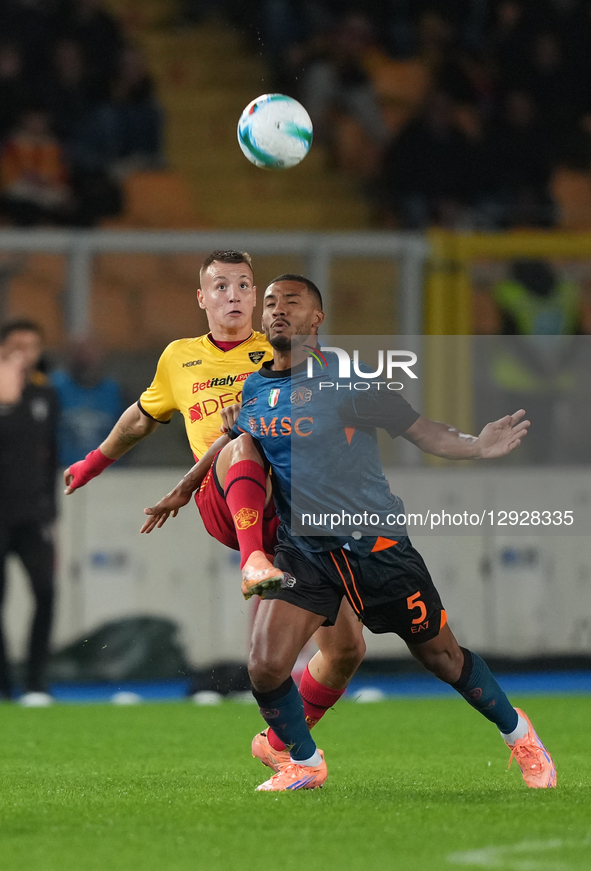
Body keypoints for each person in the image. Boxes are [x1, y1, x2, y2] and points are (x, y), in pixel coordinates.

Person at [143, 274, 556, 793]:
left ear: (316, 319)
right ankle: (306, 762)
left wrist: (475, 445)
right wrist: (185, 488)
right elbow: (233, 441)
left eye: (291, 302)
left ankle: (520, 735)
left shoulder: (347, 378)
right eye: (269, 302)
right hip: (306, 551)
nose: (276, 310)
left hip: (376, 547)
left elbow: (419, 428)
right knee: (266, 665)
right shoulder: (257, 385)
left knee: (442, 658)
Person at [63, 250, 368, 724]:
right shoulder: (179, 357)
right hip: (225, 496)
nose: (234, 295)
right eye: (222, 286)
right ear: (202, 298)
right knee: (239, 443)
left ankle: (284, 742)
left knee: (346, 649)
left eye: (245, 285)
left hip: (296, 508)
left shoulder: (288, 350)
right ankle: (252, 561)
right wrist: (94, 462)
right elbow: (141, 419)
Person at [0, 319, 59, 705]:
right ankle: (5, 684)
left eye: (32, 346)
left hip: (33, 514)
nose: (25, 353)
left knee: (45, 592)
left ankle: (36, 681)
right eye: (17, 345)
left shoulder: (46, 395)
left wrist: (51, 512)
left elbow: (49, 455)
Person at [51, 335, 125, 468]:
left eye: (91, 352)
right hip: (63, 471)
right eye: (81, 352)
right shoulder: (54, 388)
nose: (86, 358)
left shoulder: (116, 392)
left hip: (109, 474)